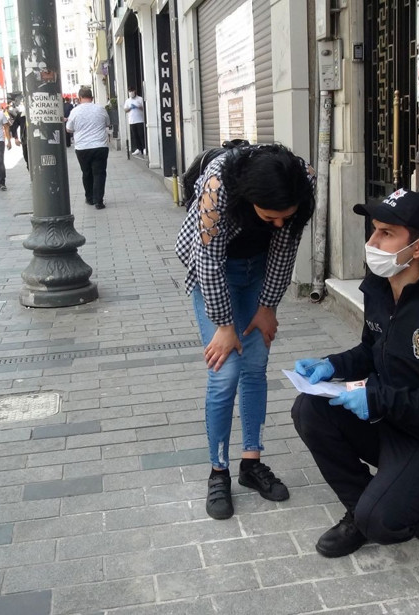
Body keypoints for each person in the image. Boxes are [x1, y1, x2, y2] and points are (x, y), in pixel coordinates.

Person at [291, 189, 419, 558]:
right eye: (373, 231)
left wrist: (377, 397)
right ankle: (360, 510)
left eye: (386, 233)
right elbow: (374, 351)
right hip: (392, 420)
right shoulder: (379, 288)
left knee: (384, 523)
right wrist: (332, 365)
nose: (372, 242)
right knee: (309, 409)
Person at [175, 143, 317, 520]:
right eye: (270, 216)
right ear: (249, 198)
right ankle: (218, 471)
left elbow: (286, 250)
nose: (279, 224)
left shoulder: (302, 182)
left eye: (285, 216)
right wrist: (224, 325)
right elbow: (207, 261)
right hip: (215, 271)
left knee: (254, 366)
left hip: (260, 273)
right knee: (225, 374)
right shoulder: (218, 186)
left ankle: (251, 463)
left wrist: (268, 306)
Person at [66, 86, 110, 210]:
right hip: (100, 146)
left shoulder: (75, 111)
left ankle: (89, 198)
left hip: (82, 147)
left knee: (87, 173)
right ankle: (99, 201)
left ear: (80, 98)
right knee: (99, 173)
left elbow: (69, 129)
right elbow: (107, 123)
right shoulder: (101, 109)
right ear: (92, 97)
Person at [123, 88, 145, 156]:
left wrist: (138, 106)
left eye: (132, 91)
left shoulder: (140, 99)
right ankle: (139, 149)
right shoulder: (128, 101)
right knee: (135, 136)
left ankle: (144, 148)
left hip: (140, 120)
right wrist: (130, 108)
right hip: (132, 120)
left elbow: (144, 108)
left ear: (135, 91)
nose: (131, 93)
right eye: (129, 91)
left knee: (141, 135)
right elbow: (125, 110)